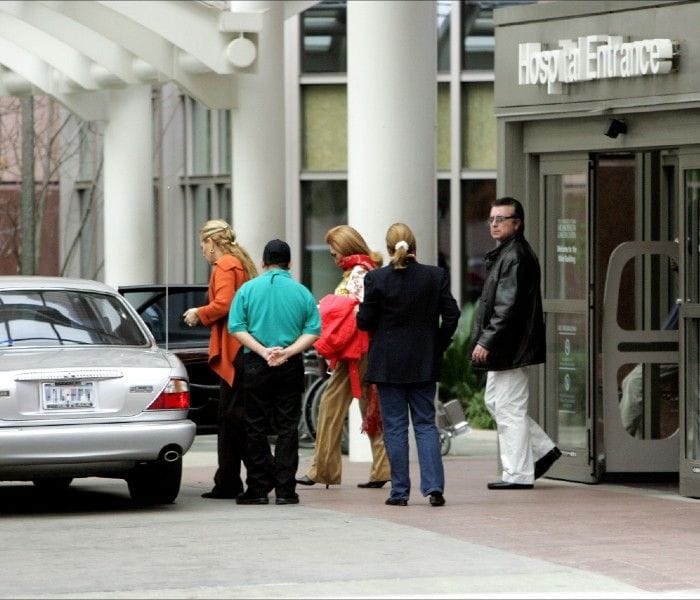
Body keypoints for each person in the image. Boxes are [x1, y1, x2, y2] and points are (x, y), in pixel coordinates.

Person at [357, 223, 460, 507]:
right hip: (423, 362)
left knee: (395, 427)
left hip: (388, 364)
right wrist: (437, 344)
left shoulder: (376, 279)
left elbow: (364, 322)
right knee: (426, 424)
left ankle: (399, 492)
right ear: (415, 246)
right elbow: (452, 315)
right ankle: (434, 488)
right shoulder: (435, 276)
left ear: (389, 248)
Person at [469, 196, 560, 490]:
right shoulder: (507, 254)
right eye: (492, 219)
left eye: (501, 219)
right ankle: (542, 450)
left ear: (516, 223)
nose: (494, 224)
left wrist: (487, 340)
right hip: (508, 345)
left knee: (509, 408)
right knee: (496, 402)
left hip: (510, 346)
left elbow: (507, 307)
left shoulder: (516, 256)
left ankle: (518, 474)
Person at [296, 225, 391, 489]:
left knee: (329, 409)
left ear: (346, 249)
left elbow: (352, 311)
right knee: (370, 409)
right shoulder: (367, 268)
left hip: (354, 352)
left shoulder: (358, 273)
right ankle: (382, 469)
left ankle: (322, 470)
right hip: (367, 349)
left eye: (334, 252)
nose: (333, 258)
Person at [228, 239, 321, 505]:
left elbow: (236, 327)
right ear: (289, 263)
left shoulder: (247, 290)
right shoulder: (302, 292)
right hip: (289, 364)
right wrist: (288, 352)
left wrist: (262, 351)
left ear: (263, 262)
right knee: (288, 426)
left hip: (257, 363)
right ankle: (285, 490)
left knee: (254, 426)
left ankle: (257, 489)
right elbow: (313, 331)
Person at [182, 219, 258, 500]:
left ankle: (233, 480)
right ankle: (236, 478)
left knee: (230, 418)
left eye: (203, 244)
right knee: (235, 417)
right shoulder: (240, 263)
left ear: (211, 242)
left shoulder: (224, 265)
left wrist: (198, 313)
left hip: (232, 347)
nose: (202, 250)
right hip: (242, 349)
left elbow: (224, 304)